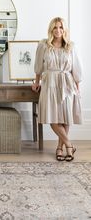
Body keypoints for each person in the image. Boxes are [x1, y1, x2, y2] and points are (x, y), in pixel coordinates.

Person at [31, 17, 82, 161]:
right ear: (51, 29)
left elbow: (76, 68)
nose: (58, 30)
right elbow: (38, 67)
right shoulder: (44, 45)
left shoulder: (71, 46)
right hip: (50, 83)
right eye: (55, 27)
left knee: (65, 117)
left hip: (67, 83)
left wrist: (77, 89)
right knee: (53, 118)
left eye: (61, 27)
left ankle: (60, 148)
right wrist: (36, 82)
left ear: (64, 30)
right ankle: (69, 145)